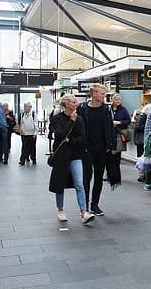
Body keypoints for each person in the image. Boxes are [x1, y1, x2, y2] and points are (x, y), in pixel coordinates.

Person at [48, 94, 95, 225]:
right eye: (74, 102)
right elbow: (59, 135)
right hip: (61, 156)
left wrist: (70, 140)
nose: (77, 104)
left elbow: (83, 138)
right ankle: (60, 210)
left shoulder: (79, 119)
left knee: (79, 184)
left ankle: (84, 212)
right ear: (66, 104)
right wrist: (71, 122)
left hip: (76, 155)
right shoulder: (57, 119)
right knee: (60, 184)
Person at [76, 84, 116, 216]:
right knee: (86, 178)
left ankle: (95, 204)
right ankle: (85, 206)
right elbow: (78, 127)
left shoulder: (105, 109)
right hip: (86, 149)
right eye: (101, 93)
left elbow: (110, 127)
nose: (104, 96)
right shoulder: (82, 109)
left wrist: (112, 146)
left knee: (99, 178)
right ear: (93, 94)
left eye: (104, 93)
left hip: (102, 149)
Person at [109, 94, 131, 188]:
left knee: (117, 156)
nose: (118, 101)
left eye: (119, 99)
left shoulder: (123, 110)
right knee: (109, 156)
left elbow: (128, 121)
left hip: (118, 135)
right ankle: (110, 175)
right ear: (112, 100)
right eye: (116, 99)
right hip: (109, 135)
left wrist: (119, 122)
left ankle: (117, 177)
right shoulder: (107, 109)